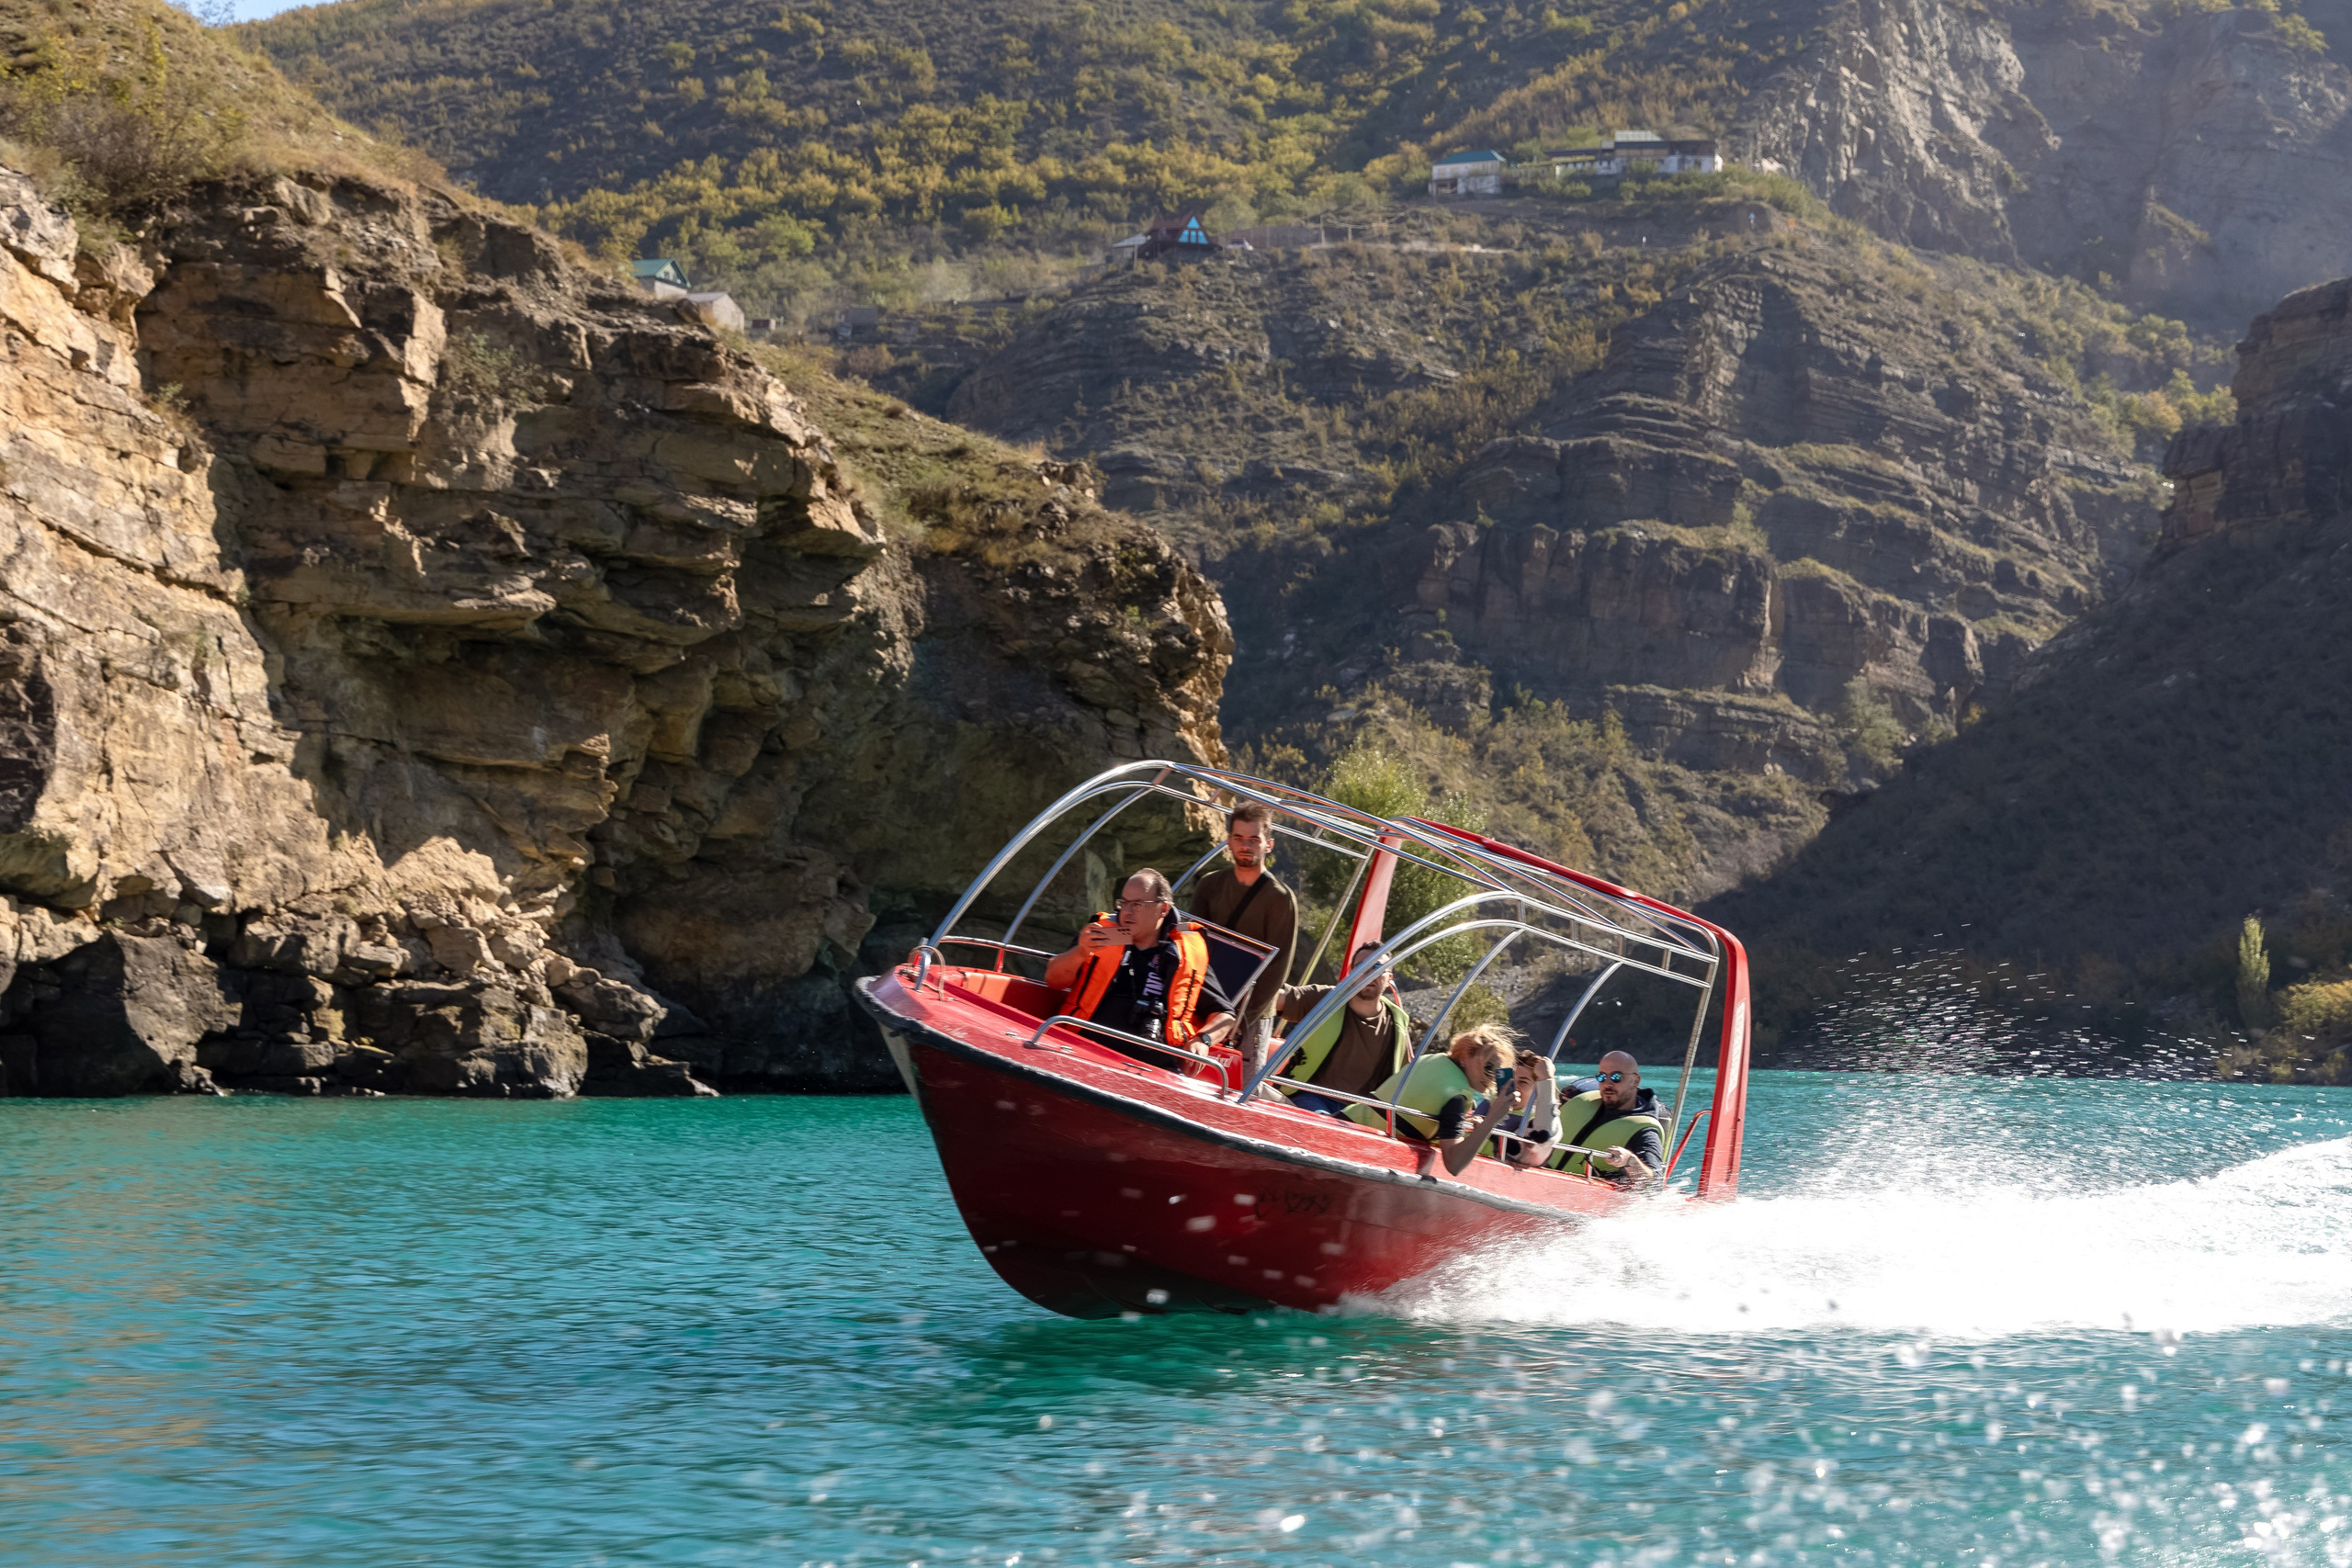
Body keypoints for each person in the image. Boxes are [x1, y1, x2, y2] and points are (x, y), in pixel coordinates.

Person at [1043, 870, 1238, 1062]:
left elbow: (1225, 1015)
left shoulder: (1184, 956)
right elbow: (1053, 980)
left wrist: (1203, 1040)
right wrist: (1081, 952)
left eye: (1137, 904)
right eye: (1124, 903)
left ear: (1163, 909)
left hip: (1152, 1064)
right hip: (1080, 1047)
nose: (1127, 911)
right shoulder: (1099, 935)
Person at [1188, 802, 1298, 1079]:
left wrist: (1242, 1019)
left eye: (1253, 839)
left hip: (1251, 1014)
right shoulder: (1209, 885)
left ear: (1268, 844)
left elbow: (1277, 967)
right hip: (1204, 1000)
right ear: (1228, 841)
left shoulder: (1279, 898)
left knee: (1243, 1084)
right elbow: (1192, 944)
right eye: (1238, 838)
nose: (1245, 845)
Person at [1346, 1024, 1534, 1177]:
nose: (1491, 1077)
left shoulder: (1432, 1060)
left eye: (1497, 1072)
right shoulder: (1456, 1096)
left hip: (1348, 1123)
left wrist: (1468, 1124)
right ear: (1465, 1057)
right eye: (1488, 1067)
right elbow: (1454, 1164)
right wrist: (1492, 1119)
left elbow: (1422, 1108)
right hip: (1361, 1150)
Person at [1270, 942, 1413, 1116]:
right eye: (1362, 966)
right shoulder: (1325, 1000)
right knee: (1324, 1123)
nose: (1369, 973)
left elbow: (1406, 1075)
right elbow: (1275, 999)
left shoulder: (1397, 1022)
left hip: (1359, 1110)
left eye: (1377, 967)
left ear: (1389, 977)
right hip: (1308, 1095)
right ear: (1351, 973)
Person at [1550, 1050, 1665, 1184]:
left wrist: (1629, 1160)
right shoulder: (1582, 1104)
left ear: (1635, 1081)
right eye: (1602, 1077)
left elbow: (1653, 1184)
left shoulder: (1644, 1131)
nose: (1607, 1084)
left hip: (1581, 1190)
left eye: (1616, 1077)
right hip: (1544, 1177)